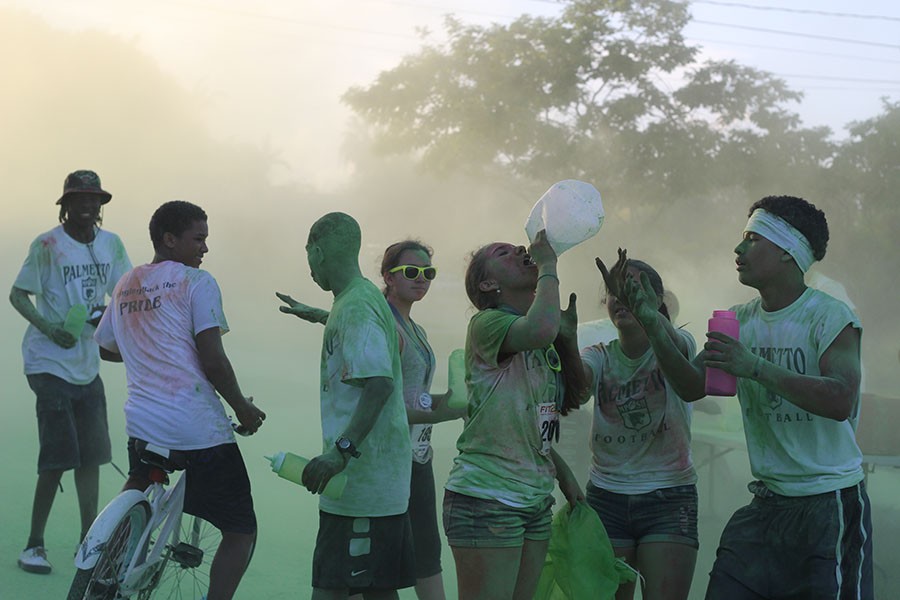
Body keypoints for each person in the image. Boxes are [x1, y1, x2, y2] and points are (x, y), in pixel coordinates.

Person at [643, 195, 873, 598]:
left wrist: (753, 367)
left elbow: (841, 400)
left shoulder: (831, 316)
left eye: (752, 238)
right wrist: (651, 323)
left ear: (788, 251)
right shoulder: (740, 319)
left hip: (828, 503)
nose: (738, 248)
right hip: (767, 502)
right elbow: (691, 386)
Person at [94, 200, 265, 600]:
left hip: (142, 425)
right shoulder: (196, 282)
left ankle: (105, 565)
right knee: (241, 530)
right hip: (196, 429)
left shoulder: (126, 283)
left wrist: (145, 347)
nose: (204, 249)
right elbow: (213, 361)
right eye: (198, 239)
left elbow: (105, 347)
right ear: (169, 240)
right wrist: (243, 408)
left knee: (138, 482)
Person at [277, 239, 463, 600]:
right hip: (387, 460)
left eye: (429, 273)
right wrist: (443, 413)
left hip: (416, 458)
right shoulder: (384, 322)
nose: (421, 279)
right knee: (366, 571)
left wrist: (462, 404)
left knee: (419, 559)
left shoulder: (416, 330)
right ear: (388, 277)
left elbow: (414, 395)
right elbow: (384, 400)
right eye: (411, 271)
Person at [278, 212, 415, 600]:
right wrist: (322, 316)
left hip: (362, 485)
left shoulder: (356, 307)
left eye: (309, 258)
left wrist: (341, 452)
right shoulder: (354, 301)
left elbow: (379, 384)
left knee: (334, 591)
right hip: (364, 488)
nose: (310, 270)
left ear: (318, 252)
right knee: (370, 591)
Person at [442, 230, 583, 600]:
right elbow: (539, 329)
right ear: (488, 283)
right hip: (486, 497)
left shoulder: (542, 340)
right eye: (504, 252)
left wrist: (567, 339)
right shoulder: (487, 323)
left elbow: (569, 403)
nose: (521, 250)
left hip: (535, 499)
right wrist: (550, 264)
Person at [11, 169, 132, 574]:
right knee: (58, 455)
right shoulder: (47, 244)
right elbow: (17, 293)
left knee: (92, 457)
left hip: (86, 364)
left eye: (94, 198)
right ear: (65, 203)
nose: (88, 205)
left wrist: (113, 322)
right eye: (80, 198)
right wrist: (49, 328)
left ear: (101, 205)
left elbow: (124, 294)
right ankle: (34, 545)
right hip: (47, 362)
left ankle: (89, 544)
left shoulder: (111, 245)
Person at [576, 250, 705, 600]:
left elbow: (677, 351)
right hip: (607, 497)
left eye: (634, 289)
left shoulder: (680, 343)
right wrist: (559, 340)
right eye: (615, 292)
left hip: (669, 497)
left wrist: (650, 316)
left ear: (657, 300)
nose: (622, 299)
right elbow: (579, 385)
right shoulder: (599, 355)